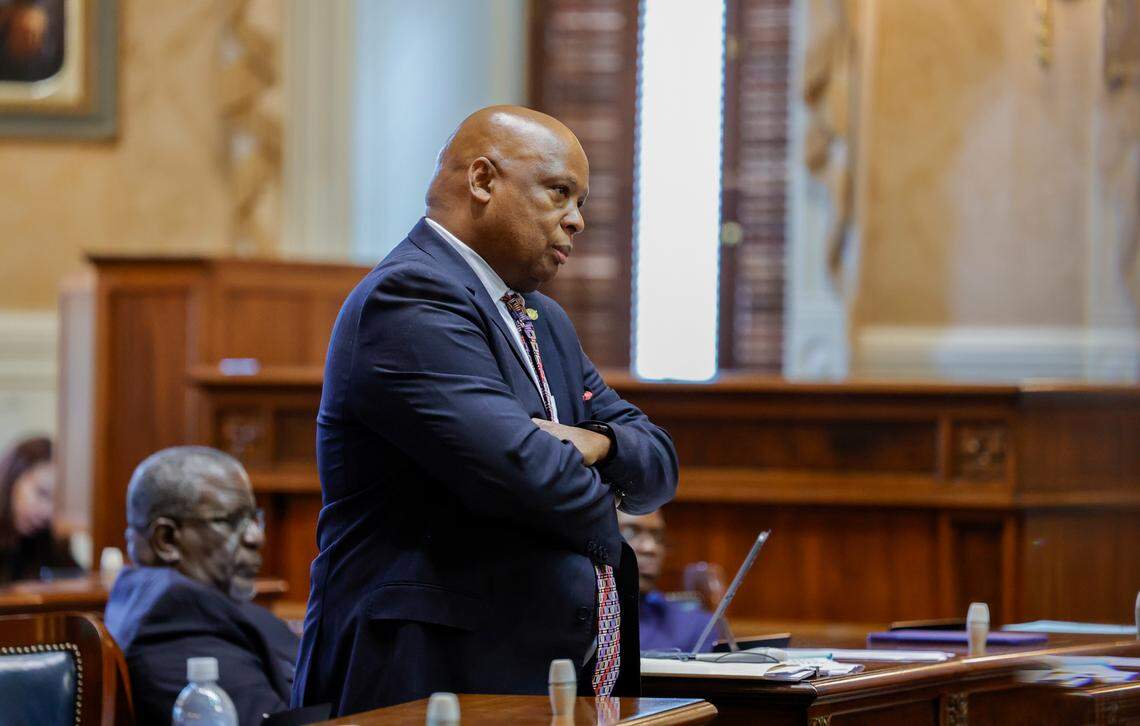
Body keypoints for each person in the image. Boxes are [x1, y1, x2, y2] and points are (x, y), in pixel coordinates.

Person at [293, 105, 679, 715]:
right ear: (482, 181)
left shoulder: (541, 318)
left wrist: (597, 443)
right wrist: (595, 478)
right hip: (424, 673)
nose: (577, 221)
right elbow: (530, 478)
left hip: (524, 671)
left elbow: (658, 464)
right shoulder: (409, 298)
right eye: (560, 192)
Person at [104, 446, 299, 726]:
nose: (256, 537)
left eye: (253, 518)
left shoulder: (190, 599)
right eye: (231, 521)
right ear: (167, 540)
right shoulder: (173, 616)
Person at [617, 509, 715, 654]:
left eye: (658, 537)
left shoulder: (694, 628)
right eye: (631, 533)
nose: (651, 548)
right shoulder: (574, 621)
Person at [0, 435, 78, 584]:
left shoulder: (47, 541)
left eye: (58, 502)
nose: (48, 511)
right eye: (42, 493)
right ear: (12, 478)